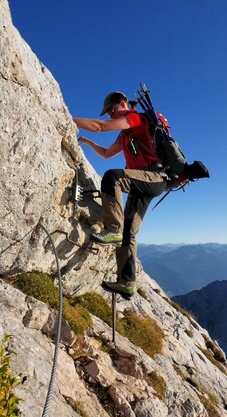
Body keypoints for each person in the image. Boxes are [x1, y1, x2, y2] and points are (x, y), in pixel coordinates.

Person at [73, 91, 167, 299]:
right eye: (109, 113)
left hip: (153, 177)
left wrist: (67, 117)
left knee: (112, 178)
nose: (110, 115)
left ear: (124, 103)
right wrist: (88, 142)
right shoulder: (125, 133)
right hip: (144, 182)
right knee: (129, 233)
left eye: (112, 110)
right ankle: (127, 283)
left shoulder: (135, 118)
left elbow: (100, 127)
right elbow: (107, 154)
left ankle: (112, 228)